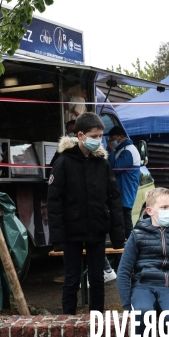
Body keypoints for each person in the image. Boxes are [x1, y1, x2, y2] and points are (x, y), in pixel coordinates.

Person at [48, 112, 125, 314]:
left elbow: (113, 198)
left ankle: (97, 318)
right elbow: (54, 201)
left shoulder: (102, 163)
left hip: (97, 228)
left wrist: (118, 236)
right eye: (94, 136)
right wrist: (58, 238)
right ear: (80, 135)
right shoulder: (63, 162)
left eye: (100, 136)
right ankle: (68, 320)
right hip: (72, 230)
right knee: (72, 278)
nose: (98, 140)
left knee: (97, 279)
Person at [117, 188, 169, 337]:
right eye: (164, 208)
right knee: (143, 314)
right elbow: (124, 270)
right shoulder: (137, 235)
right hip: (143, 286)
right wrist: (126, 303)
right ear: (149, 210)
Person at [106, 126, 141, 239]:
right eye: (109, 139)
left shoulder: (128, 151)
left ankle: (129, 246)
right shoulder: (122, 150)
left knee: (125, 223)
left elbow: (115, 168)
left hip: (125, 192)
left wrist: (110, 151)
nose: (111, 141)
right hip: (122, 192)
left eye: (113, 138)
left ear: (121, 137)